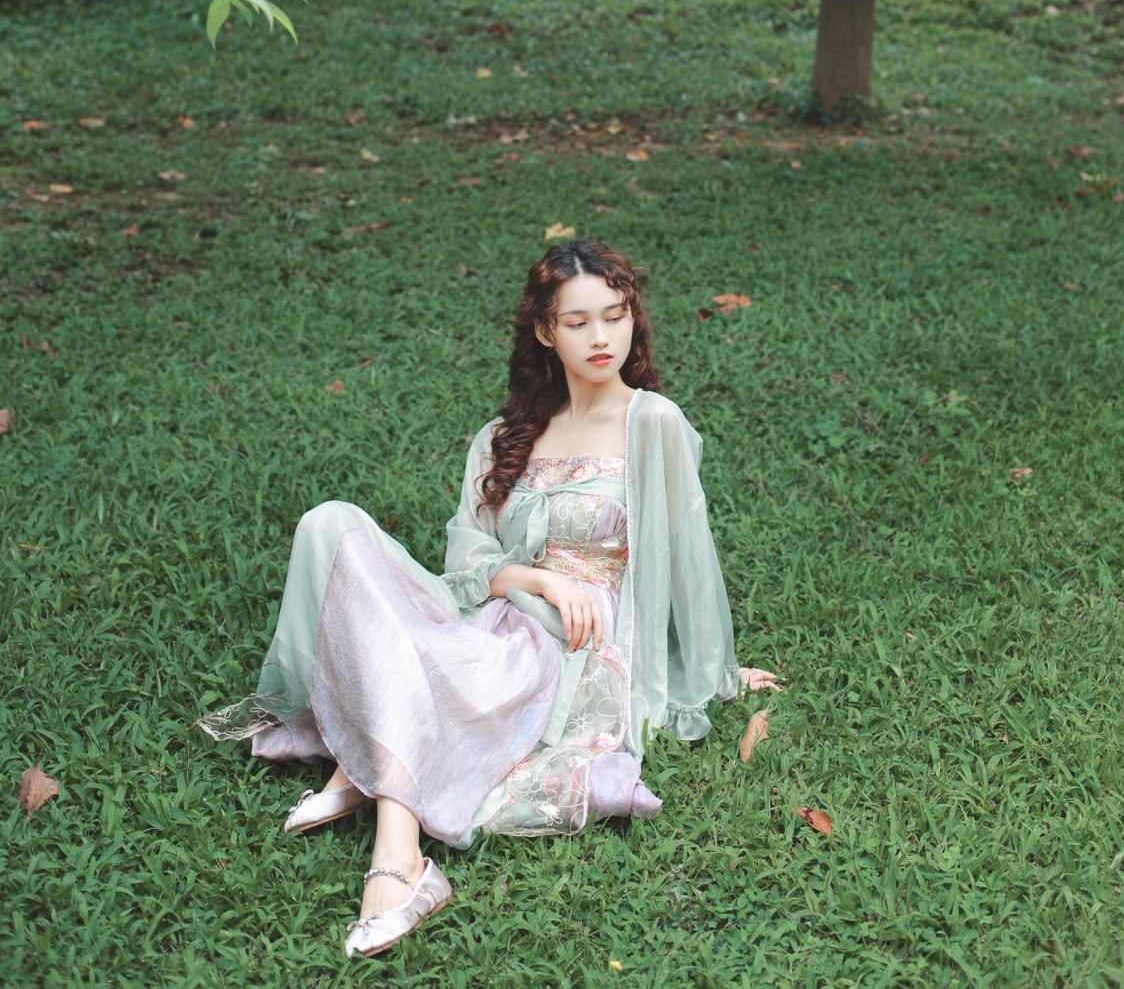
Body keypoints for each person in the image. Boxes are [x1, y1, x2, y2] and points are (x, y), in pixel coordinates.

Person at [200, 238, 781, 960]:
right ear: (545, 330)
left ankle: (397, 856)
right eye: (577, 321)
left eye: (615, 315)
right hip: (496, 610)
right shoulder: (504, 437)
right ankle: (374, 771)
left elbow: (688, 560)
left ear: (633, 318)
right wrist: (533, 578)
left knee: (442, 667)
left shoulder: (652, 422)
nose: (601, 337)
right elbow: (467, 557)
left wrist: (714, 670)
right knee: (330, 524)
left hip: (573, 638)